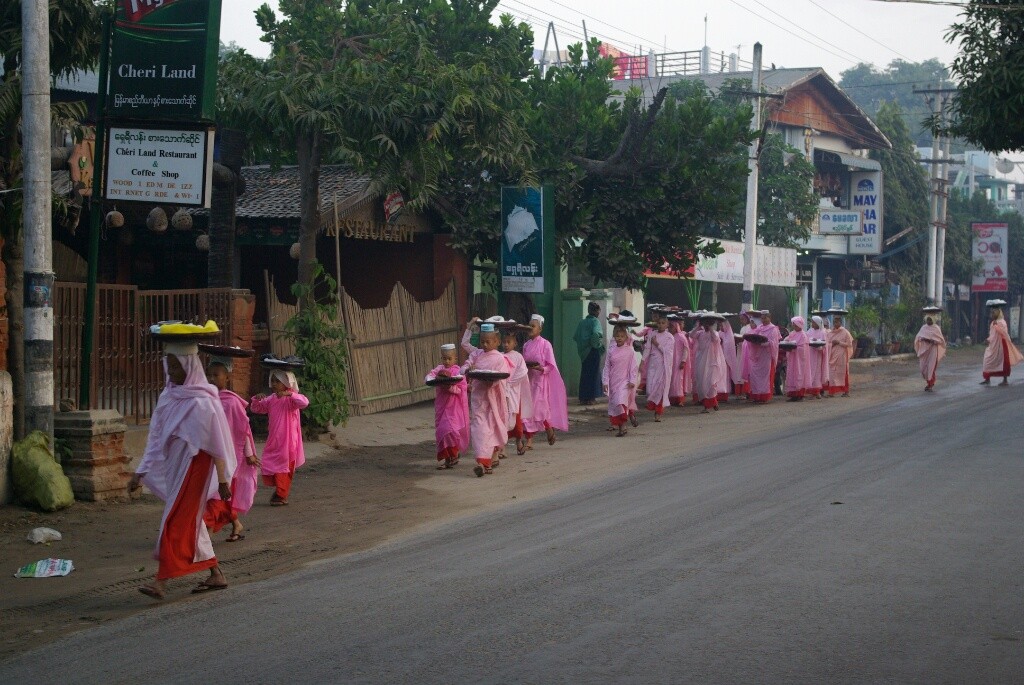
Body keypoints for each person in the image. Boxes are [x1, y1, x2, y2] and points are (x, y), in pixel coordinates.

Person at [128, 341, 237, 600]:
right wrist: (140, 471)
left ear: (190, 367)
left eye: (177, 366)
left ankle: (160, 582)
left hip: (195, 470)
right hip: (174, 468)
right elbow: (155, 438)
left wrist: (222, 479)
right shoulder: (168, 397)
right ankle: (216, 573)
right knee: (191, 522)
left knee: (175, 521)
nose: (172, 371)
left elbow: (216, 444)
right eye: (170, 365)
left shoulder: (203, 401)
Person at [203, 356, 259, 543]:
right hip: (208, 455)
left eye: (216, 374)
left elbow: (243, 430)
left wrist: (249, 454)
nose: (211, 378)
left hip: (228, 457)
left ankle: (206, 534)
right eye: (208, 374)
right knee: (217, 494)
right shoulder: (206, 399)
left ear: (227, 377)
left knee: (217, 496)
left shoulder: (232, 402)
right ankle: (236, 524)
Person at [251, 370, 309, 505]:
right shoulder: (271, 399)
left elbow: (304, 403)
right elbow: (257, 408)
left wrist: (290, 394)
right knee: (271, 462)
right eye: (273, 381)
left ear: (286, 383)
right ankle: (279, 491)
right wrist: (256, 399)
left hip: (289, 441)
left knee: (285, 466)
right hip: (274, 440)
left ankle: (281, 494)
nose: (274, 384)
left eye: (278, 381)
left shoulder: (292, 399)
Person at [465, 323, 510, 476]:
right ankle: (482, 462)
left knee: (489, 429)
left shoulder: (500, 359)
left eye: (488, 342)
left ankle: (485, 463)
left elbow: (502, 376)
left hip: (492, 400)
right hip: (478, 399)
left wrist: (491, 381)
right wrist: (468, 369)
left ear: (497, 341)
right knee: (479, 429)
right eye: (482, 341)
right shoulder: (477, 354)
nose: (484, 344)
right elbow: (464, 366)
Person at [523, 314, 569, 447]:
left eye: (533, 326)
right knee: (527, 411)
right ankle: (529, 440)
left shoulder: (545, 344)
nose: (530, 328)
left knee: (539, 410)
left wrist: (541, 369)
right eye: (529, 326)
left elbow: (551, 366)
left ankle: (548, 428)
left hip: (541, 383)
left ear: (540, 329)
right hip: (529, 381)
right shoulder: (526, 345)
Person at [425, 344, 470, 469]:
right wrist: (432, 379)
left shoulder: (457, 372)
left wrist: (449, 387)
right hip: (441, 406)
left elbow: (462, 390)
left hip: (454, 409)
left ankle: (453, 456)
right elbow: (429, 377)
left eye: (449, 359)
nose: (447, 361)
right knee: (441, 431)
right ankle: (448, 458)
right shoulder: (439, 369)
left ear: (455, 358)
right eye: (444, 358)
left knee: (450, 431)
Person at [602, 324, 640, 436]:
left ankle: (623, 426)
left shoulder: (629, 351)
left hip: (625, 382)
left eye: (622, 336)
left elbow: (633, 367)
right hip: (614, 381)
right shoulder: (611, 351)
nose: (619, 338)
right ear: (614, 336)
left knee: (620, 401)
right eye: (617, 336)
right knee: (616, 404)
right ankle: (621, 427)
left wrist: (633, 380)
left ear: (626, 337)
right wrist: (605, 381)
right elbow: (607, 367)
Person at [502, 330, 533, 455]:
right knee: (502, 421)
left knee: (517, 422)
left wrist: (510, 383)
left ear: (515, 343)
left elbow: (522, 372)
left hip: (514, 393)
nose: (505, 345)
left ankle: (519, 442)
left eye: (508, 342)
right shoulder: (499, 356)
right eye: (503, 342)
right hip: (503, 393)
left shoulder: (518, 357)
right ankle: (501, 448)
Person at [980, 301, 1023, 385]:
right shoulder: (993, 323)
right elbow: (992, 334)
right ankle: (987, 378)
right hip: (993, 345)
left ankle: (1005, 380)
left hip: (1002, 345)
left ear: (998, 313)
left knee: (1003, 362)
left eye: (994, 313)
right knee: (987, 360)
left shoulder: (1002, 322)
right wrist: (988, 339)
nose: (992, 314)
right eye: (992, 313)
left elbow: (1004, 333)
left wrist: (996, 326)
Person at [641, 314, 675, 421]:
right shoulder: (652, 334)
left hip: (663, 366)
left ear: (667, 325)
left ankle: (658, 413)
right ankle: (653, 406)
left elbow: (668, 353)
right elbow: (647, 349)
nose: (660, 325)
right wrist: (642, 361)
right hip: (652, 365)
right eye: (659, 323)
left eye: (663, 323)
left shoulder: (670, 337)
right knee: (650, 389)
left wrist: (657, 344)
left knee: (660, 390)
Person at [690, 316, 725, 413]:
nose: (705, 325)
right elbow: (691, 335)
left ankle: (707, 406)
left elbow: (715, 339)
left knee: (711, 383)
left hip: (712, 362)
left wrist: (710, 327)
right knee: (702, 384)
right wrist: (698, 326)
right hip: (700, 361)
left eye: (708, 323)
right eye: (704, 323)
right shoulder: (700, 333)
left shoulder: (715, 334)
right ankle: (713, 403)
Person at [573, 302, 605, 405]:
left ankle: (583, 398)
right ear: (597, 311)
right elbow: (596, 334)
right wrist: (597, 345)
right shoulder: (595, 322)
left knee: (585, 373)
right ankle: (591, 398)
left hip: (583, 352)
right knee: (594, 374)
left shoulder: (581, 322)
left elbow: (576, 337)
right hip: (592, 351)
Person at [747, 311, 778, 404]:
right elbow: (753, 337)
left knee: (764, 376)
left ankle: (764, 396)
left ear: (769, 318)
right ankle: (756, 395)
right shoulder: (759, 328)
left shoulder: (773, 329)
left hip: (766, 355)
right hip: (757, 355)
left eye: (765, 318)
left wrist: (763, 343)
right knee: (754, 374)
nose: (763, 320)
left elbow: (774, 343)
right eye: (762, 318)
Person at [914, 312, 947, 392]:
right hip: (924, 351)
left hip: (933, 350)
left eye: (930, 320)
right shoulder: (923, 328)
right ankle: (929, 382)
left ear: (933, 320)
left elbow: (940, 340)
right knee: (923, 368)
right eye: (927, 320)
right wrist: (922, 339)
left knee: (931, 367)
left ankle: (930, 384)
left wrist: (932, 341)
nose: (929, 321)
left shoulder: (936, 328)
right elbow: (918, 337)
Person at [782, 316, 811, 401]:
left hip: (800, 360)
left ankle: (800, 394)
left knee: (799, 375)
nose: (794, 327)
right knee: (791, 375)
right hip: (792, 359)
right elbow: (787, 340)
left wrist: (794, 348)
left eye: (796, 325)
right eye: (793, 325)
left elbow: (803, 349)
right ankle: (793, 394)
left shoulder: (803, 335)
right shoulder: (792, 333)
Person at [827, 313, 854, 397]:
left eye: (837, 322)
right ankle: (832, 392)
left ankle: (846, 392)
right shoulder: (831, 333)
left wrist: (839, 342)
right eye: (834, 322)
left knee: (843, 374)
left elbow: (849, 344)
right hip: (832, 355)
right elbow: (827, 343)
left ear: (840, 323)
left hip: (842, 356)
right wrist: (832, 344)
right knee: (832, 374)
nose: (835, 324)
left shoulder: (845, 332)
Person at [667, 315, 690, 406]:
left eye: (671, 327)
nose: (669, 329)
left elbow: (686, 349)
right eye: (669, 327)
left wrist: (683, 361)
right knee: (671, 380)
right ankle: (671, 399)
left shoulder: (681, 336)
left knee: (678, 380)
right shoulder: (669, 336)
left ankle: (680, 399)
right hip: (670, 362)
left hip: (678, 362)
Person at [719, 316, 742, 399]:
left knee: (725, 377)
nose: (721, 327)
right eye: (720, 326)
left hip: (726, 360)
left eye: (722, 326)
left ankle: (724, 394)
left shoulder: (729, 336)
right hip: (719, 359)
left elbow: (729, 349)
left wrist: (725, 359)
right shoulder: (720, 333)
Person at [807, 316, 829, 398]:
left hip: (817, 355)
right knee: (810, 372)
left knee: (817, 373)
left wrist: (817, 343)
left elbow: (824, 345)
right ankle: (812, 392)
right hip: (810, 354)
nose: (812, 324)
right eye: (812, 322)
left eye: (813, 322)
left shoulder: (822, 332)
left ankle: (817, 392)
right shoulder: (809, 331)